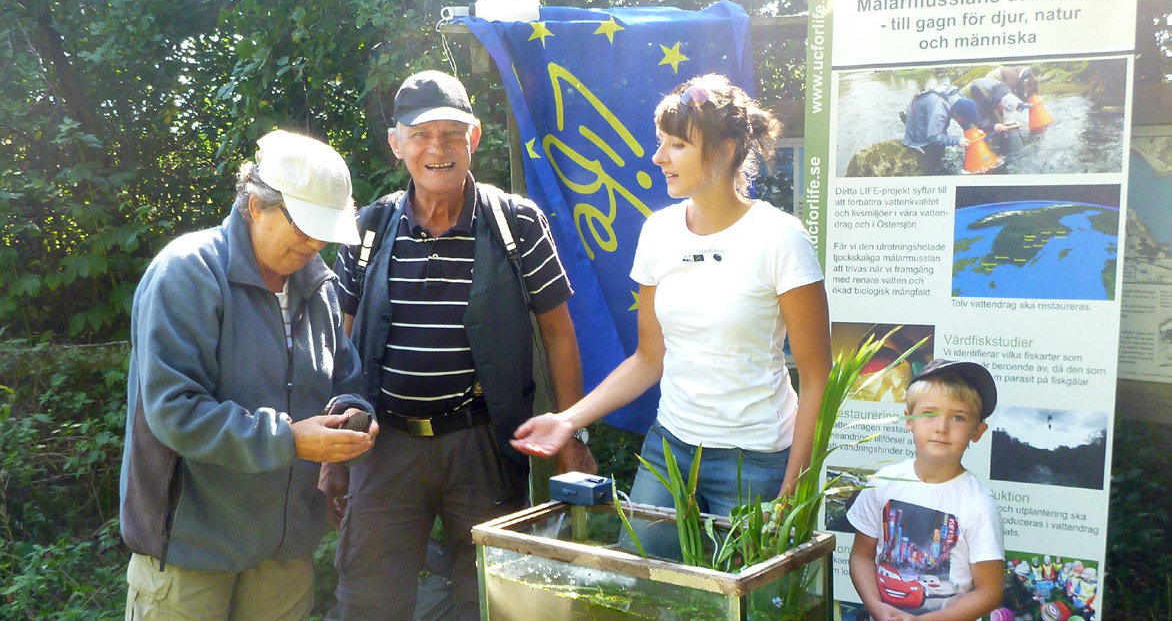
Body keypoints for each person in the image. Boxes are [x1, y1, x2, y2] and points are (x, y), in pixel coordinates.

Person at [511, 74, 832, 555]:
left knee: (748, 607)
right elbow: (648, 358)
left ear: (724, 149)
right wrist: (567, 420)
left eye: (677, 144)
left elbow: (817, 375)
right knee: (642, 592)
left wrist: (794, 488)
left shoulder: (780, 238)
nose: (659, 157)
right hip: (670, 448)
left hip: (757, 461)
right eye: (661, 142)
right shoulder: (659, 232)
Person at [322, 70, 584, 620]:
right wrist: (333, 445)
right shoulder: (367, 228)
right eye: (420, 134)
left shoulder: (516, 222)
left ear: (475, 137)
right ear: (397, 144)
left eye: (451, 133)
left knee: (492, 601)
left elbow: (558, 331)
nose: (436, 148)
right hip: (383, 446)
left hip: (482, 446)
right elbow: (340, 340)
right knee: (369, 599)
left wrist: (570, 432)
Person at [120, 129, 379, 618]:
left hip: (283, 551)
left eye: (324, 229)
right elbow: (174, 411)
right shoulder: (189, 271)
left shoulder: (318, 288)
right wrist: (291, 440)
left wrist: (351, 419)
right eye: (302, 225)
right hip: (189, 551)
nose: (314, 242)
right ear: (254, 205)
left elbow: (345, 380)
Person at [848, 359, 1004, 620]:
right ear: (909, 419)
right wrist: (876, 606)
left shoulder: (978, 505)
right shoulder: (882, 484)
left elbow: (989, 591)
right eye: (929, 413)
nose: (941, 427)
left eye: (958, 417)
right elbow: (860, 556)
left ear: (978, 430)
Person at [902, 86, 981, 173]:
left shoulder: (960, 99)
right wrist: (957, 141)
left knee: (942, 143)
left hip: (930, 106)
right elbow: (934, 136)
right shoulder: (939, 111)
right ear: (956, 114)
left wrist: (974, 131)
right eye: (963, 119)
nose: (963, 122)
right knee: (933, 152)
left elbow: (966, 120)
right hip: (917, 115)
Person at [965, 77, 1029, 154]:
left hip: (989, 97)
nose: (1003, 113)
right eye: (1003, 110)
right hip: (969, 97)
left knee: (1000, 124)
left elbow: (1011, 102)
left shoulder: (1006, 91)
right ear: (999, 104)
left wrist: (1021, 104)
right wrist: (993, 126)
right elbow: (978, 119)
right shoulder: (982, 98)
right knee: (980, 129)